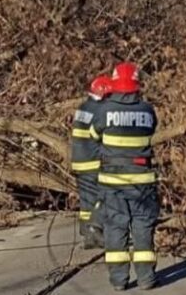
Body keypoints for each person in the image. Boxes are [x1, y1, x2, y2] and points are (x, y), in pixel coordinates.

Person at [90, 62, 159, 291]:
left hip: (113, 182)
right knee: (143, 227)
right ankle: (147, 278)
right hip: (142, 181)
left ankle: (119, 281)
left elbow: (93, 135)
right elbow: (151, 131)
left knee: (116, 228)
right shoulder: (147, 110)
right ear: (137, 85)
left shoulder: (104, 110)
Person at [71, 74, 113, 249]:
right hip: (93, 161)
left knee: (87, 200)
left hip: (79, 161)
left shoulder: (83, 107)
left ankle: (87, 236)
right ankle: (96, 229)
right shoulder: (99, 110)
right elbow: (102, 135)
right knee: (103, 195)